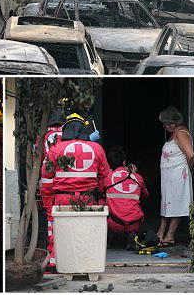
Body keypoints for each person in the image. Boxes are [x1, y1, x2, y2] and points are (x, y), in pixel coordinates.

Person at [45, 113, 110, 266]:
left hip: (62, 199)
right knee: (86, 233)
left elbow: (46, 176)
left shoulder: (55, 149)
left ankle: (56, 264)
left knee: (61, 234)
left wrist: (48, 201)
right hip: (88, 199)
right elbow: (105, 176)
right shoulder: (97, 148)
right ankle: (85, 265)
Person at [157, 106, 194, 247]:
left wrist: (186, 169)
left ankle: (170, 235)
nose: (164, 126)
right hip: (170, 177)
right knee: (168, 204)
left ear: (173, 123)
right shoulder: (175, 133)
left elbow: (190, 154)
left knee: (177, 204)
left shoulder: (181, 133)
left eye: (166, 123)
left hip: (178, 176)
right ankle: (160, 234)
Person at [38, 108, 66, 271]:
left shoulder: (43, 135)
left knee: (51, 218)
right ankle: (61, 254)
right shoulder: (67, 134)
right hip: (64, 180)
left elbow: (38, 155)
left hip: (47, 178)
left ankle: (52, 256)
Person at [104, 146, 149, 237]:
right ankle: (131, 236)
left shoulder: (107, 178)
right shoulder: (137, 177)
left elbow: (100, 192)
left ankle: (108, 238)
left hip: (113, 224)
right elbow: (146, 195)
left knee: (102, 200)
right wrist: (134, 174)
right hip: (134, 225)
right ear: (124, 162)